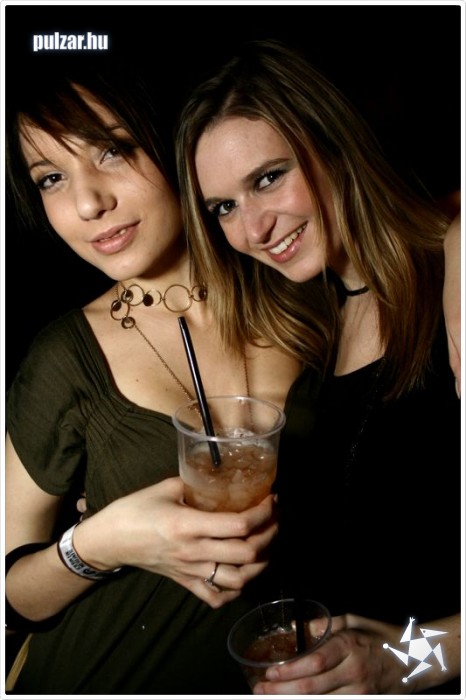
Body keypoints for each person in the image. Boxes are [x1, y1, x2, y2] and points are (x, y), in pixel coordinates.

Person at [4, 55, 315, 693]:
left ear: (174, 142)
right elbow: (10, 596)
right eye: (51, 178)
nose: (88, 202)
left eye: (113, 151)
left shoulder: (307, 294)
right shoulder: (65, 358)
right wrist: (101, 543)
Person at [176, 39, 462, 694]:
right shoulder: (315, 337)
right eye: (224, 208)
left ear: (334, 144)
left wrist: (404, 660)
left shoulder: (457, 293)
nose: (253, 229)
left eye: (267, 178)